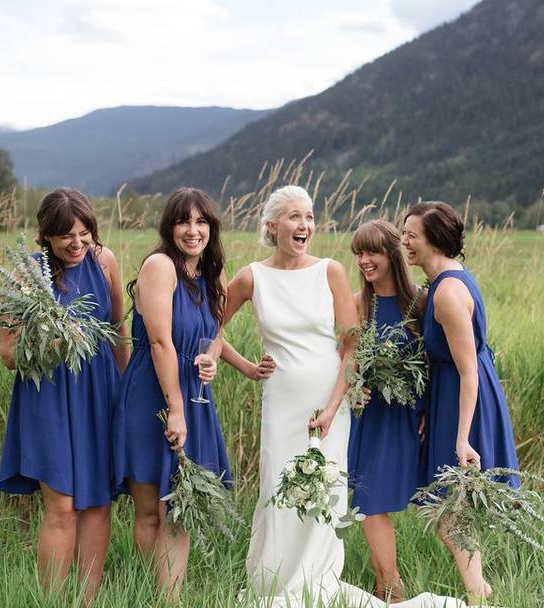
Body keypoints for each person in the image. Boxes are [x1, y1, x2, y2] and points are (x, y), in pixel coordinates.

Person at [223, 185, 468, 608]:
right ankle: (273, 578)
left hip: (327, 400)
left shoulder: (330, 271)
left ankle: (318, 578)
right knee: (276, 488)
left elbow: (352, 343)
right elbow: (206, 327)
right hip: (280, 400)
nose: (305, 225)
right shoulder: (250, 276)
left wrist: (338, 402)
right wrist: (245, 366)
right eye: (295, 217)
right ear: (272, 225)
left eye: (310, 216)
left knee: (326, 489)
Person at [0, 188, 129, 605]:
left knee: (98, 502)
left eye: (84, 233)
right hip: (49, 397)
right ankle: (54, 602)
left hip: (100, 393)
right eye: (66, 236)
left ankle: (87, 601)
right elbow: (7, 354)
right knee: (62, 505)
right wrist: (54, 343)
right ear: (46, 236)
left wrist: (124, 394)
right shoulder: (25, 274)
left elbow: (119, 331)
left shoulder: (104, 261)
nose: (77, 244)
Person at [112, 187, 233, 602]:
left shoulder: (212, 272)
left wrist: (213, 359)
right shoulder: (159, 266)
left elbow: (215, 334)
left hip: (193, 398)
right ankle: (152, 593)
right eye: (184, 221)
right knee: (150, 508)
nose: (193, 230)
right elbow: (161, 342)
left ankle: (171, 599)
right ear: (170, 226)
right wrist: (176, 409)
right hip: (153, 397)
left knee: (181, 507)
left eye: (201, 222)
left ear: (211, 228)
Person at [402, 201, 520, 606]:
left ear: (434, 240)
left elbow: (468, 370)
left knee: (450, 512)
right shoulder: (441, 283)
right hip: (447, 396)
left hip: (462, 399)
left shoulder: (449, 292)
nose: (404, 241)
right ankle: (480, 592)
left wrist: (463, 438)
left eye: (412, 235)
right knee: (448, 510)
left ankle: (478, 595)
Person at [347, 219, 426, 603]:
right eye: (359, 252)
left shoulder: (421, 304)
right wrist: (354, 385)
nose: (364, 260)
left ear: (393, 253)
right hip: (372, 418)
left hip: (413, 417)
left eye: (372, 251)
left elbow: (436, 362)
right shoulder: (360, 304)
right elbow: (345, 359)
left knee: (392, 501)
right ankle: (391, 589)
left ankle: (391, 590)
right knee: (370, 503)